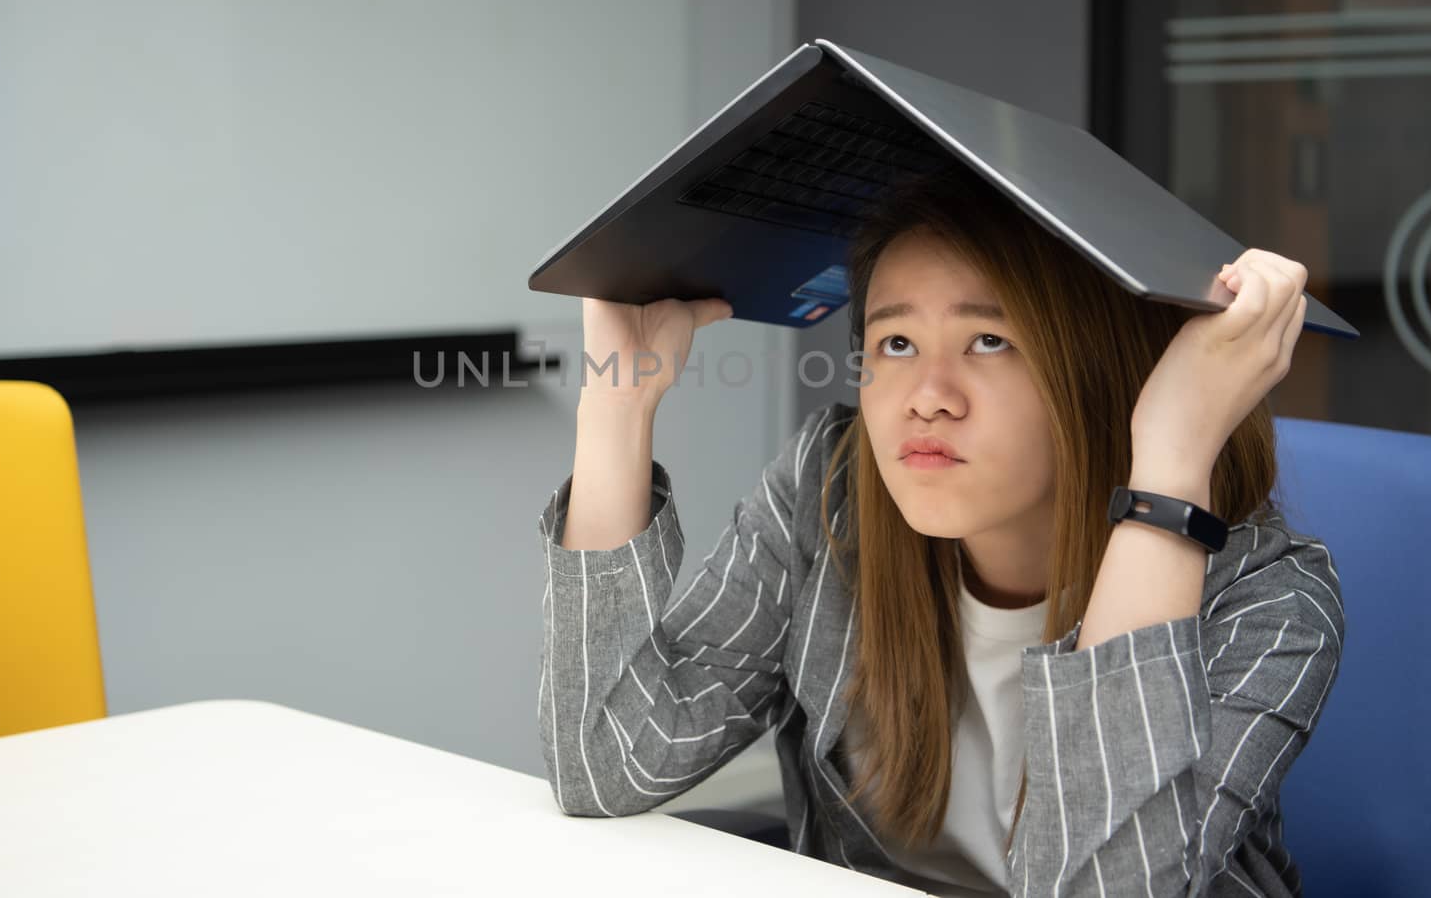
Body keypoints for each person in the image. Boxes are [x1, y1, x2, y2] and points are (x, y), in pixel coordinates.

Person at [534, 163, 1344, 896]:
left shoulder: (1268, 605)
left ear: (1107, 372)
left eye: (988, 340)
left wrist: (1169, 462)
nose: (927, 395)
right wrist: (617, 404)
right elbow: (605, 763)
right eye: (895, 342)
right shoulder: (833, 488)